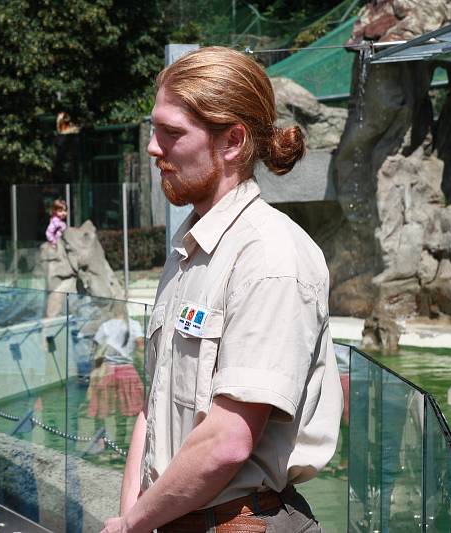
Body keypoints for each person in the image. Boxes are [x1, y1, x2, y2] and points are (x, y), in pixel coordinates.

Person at [103, 47, 343, 533]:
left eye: (171, 133)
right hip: (170, 517)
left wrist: (131, 525)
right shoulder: (191, 248)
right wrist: (133, 515)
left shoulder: (271, 257)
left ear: (232, 141)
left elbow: (228, 441)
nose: (153, 147)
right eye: (155, 129)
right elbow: (155, 407)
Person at [88, 301, 145, 446]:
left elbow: (95, 349)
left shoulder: (105, 326)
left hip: (108, 371)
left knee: (104, 410)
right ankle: (122, 443)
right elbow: (141, 347)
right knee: (126, 413)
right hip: (128, 371)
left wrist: (94, 374)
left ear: (112, 311)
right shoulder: (134, 325)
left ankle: (103, 441)